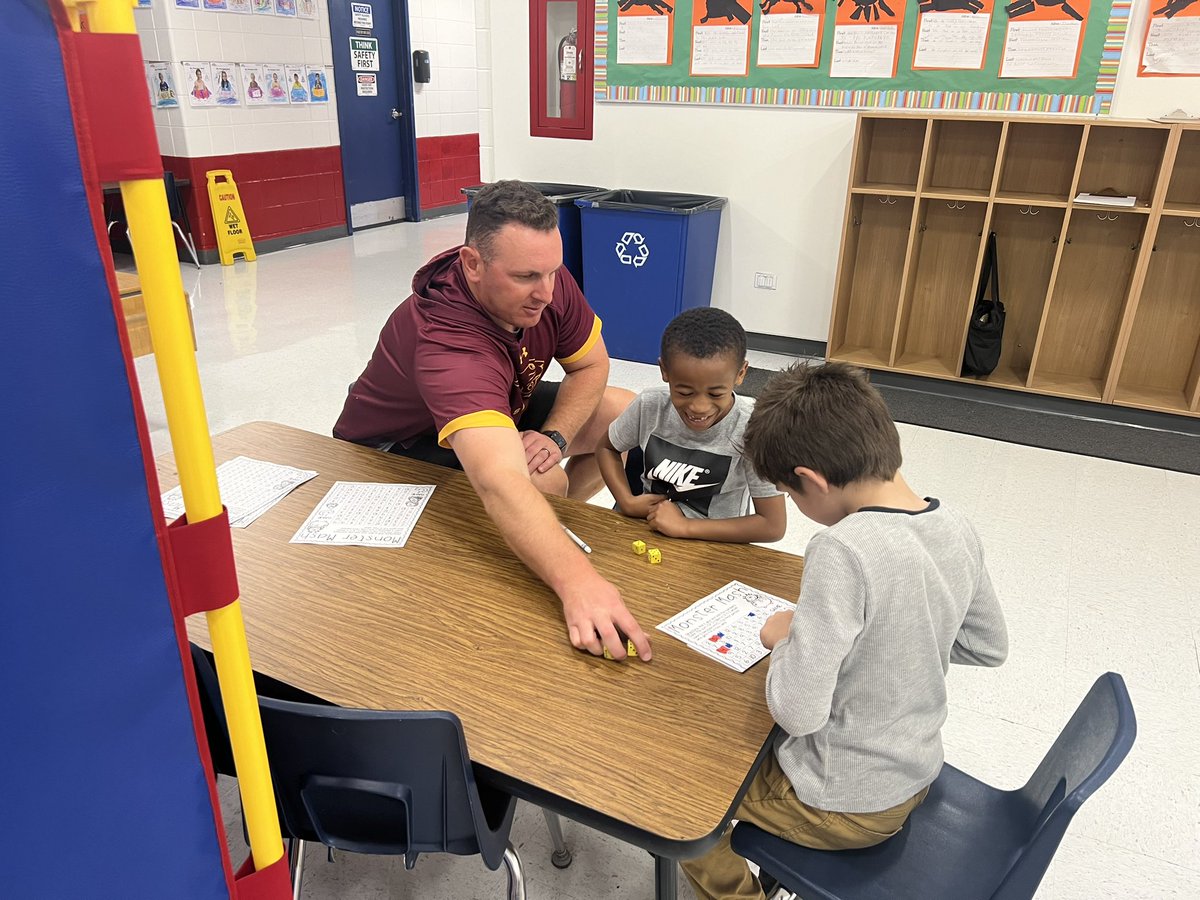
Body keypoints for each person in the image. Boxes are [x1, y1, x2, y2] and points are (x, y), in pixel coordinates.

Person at [680, 362, 1008, 900]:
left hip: (842, 803)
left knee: (685, 802)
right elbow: (987, 646)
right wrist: (889, 638)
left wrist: (785, 636)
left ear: (809, 480)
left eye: (794, 495)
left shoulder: (842, 548)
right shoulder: (954, 525)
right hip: (916, 769)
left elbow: (798, 712)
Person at [334, 180, 649, 661]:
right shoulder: (446, 340)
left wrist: (555, 436)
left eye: (553, 272)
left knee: (625, 415)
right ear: (472, 264)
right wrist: (579, 583)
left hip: (501, 404)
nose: (546, 293)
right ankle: (549, 540)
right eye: (526, 277)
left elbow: (592, 366)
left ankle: (552, 528)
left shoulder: (543, 278)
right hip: (387, 452)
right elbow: (501, 481)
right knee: (539, 483)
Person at [597, 307, 786, 543]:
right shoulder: (650, 405)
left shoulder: (753, 427)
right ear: (664, 371)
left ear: (741, 374)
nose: (699, 407)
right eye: (684, 392)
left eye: (716, 393)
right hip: (648, 530)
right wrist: (626, 501)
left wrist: (686, 527)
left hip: (715, 544)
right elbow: (606, 448)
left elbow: (772, 525)